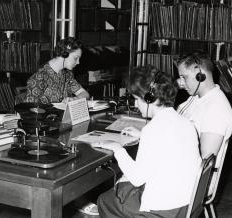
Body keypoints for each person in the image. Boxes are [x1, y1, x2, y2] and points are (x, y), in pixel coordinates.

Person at [91, 65, 202, 218]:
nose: (136, 105)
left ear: (150, 98)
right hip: (187, 204)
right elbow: (168, 143)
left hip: (163, 211)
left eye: (137, 99)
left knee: (105, 200)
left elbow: (137, 178)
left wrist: (118, 149)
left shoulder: (154, 129)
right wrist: (142, 135)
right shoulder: (185, 123)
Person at [176, 52, 232, 194]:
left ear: (200, 75)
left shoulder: (216, 109)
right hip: (182, 168)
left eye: (184, 77)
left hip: (196, 185)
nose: (180, 83)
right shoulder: (197, 97)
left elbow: (204, 163)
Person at [25, 37, 90, 104]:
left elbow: (85, 94)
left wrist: (75, 99)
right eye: (76, 58)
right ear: (65, 54)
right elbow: (30, 109)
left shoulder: (67, 75)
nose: (78, 62)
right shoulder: (39, 77)